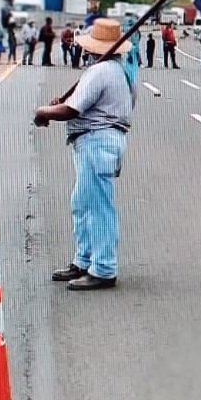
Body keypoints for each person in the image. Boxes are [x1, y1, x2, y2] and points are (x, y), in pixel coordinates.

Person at [33, 18, 136, 291]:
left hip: (96, 140)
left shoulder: (101, 71)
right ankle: (84, 259)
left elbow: (72, 110)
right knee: (82, 203)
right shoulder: (117, 70)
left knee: (98, 205)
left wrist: (44, 112)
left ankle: (103, 268)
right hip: (99, 140)